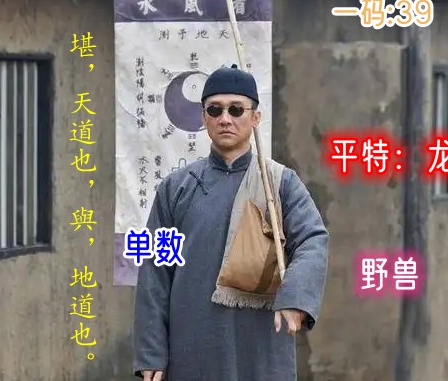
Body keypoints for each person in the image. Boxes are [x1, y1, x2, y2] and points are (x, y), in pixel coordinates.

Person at [132, 64, 329, 381]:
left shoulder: (279, 184)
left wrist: (296, 297)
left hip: (262, 346)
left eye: (236, 109)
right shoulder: (177, 187)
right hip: (192, 346)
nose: (225, 118)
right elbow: (155, 273)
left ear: (255, 118)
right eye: (215, 109)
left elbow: (312, 240)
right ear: (203, 117)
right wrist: (151, 353)